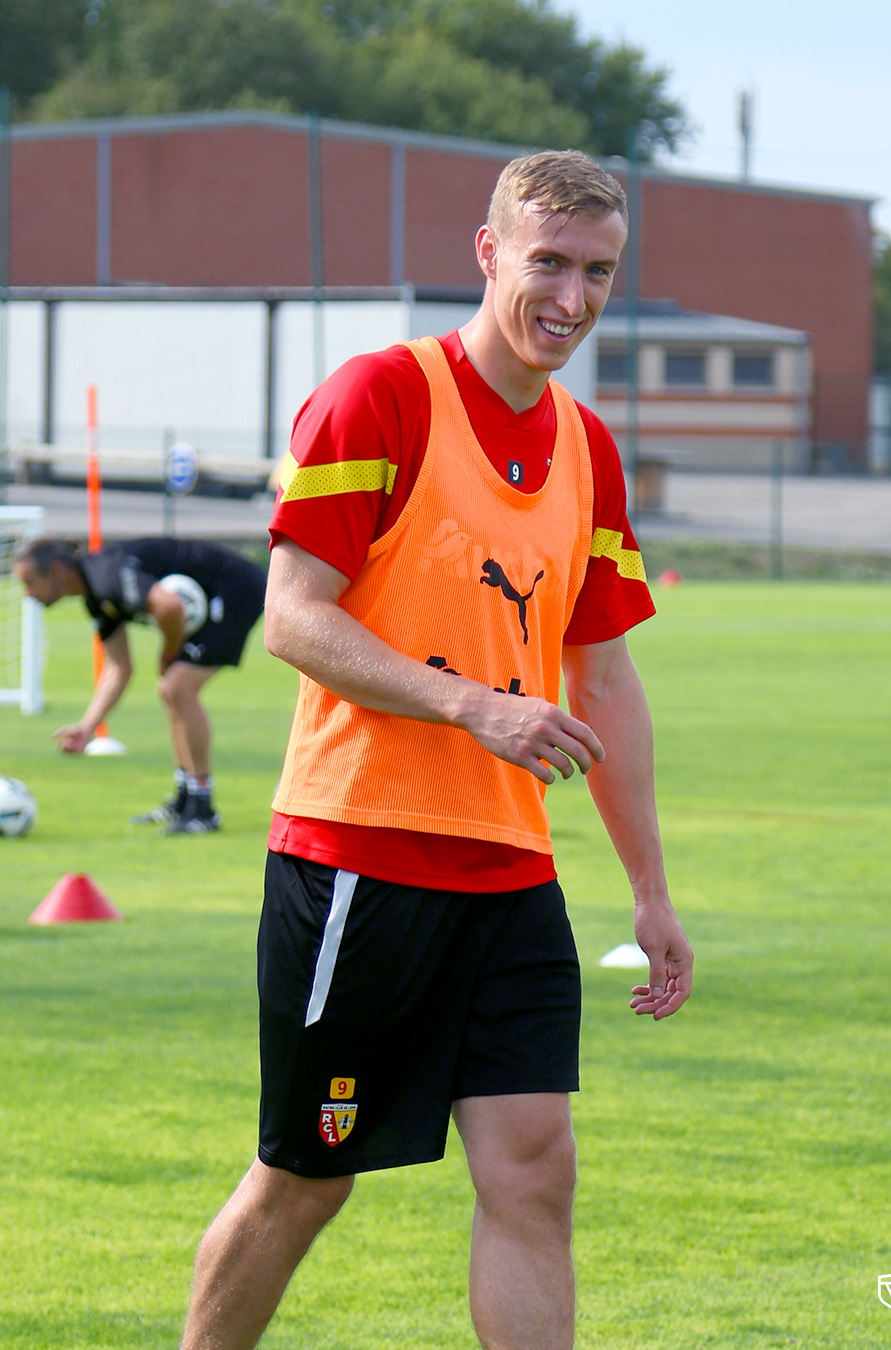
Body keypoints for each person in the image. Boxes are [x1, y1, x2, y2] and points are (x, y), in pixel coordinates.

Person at [181, 148, 693, 1349]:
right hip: (359, 859)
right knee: (308, 1179)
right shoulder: (381, 396)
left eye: (599, 272)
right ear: (488, 251)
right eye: (549, 263)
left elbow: (605, 676)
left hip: (512, 878)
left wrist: (652, 891)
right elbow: (295, 617)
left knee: (533, 1177)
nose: (571, 298)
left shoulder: (589, 449)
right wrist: (473, 705)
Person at [13, 536, 265, 833]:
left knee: (176, 688)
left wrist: (169, 652)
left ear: (56, 571)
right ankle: (185, 799)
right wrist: (87, 727)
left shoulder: (106, 576)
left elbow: (169, 606)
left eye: (30, 582)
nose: (28, 594)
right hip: (211, 596)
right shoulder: (95, 595)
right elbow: (119, 667)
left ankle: (203, 809)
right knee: (171, 690)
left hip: (236, 588)